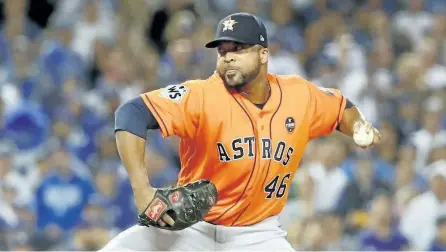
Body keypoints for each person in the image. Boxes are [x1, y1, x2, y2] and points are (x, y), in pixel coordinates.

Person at [101, 12, 382, 251]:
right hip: (190, 230)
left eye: (238, 49)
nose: (228, 58)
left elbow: (342, 106)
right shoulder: (201, 95)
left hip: (258, 236)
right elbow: (131, 113)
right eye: (223, 51)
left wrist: (359, 126)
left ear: (263, 54)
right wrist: (141, 189)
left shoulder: (299, 95)